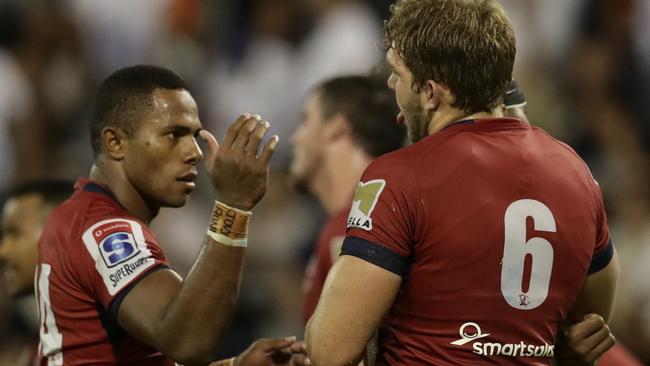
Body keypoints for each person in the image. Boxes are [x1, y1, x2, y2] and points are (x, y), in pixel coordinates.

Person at [305, 1, 619, 365]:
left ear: (431, 92)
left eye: (398, 73)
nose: (392, 84)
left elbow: (330, 351)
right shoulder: (577, 173)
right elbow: (592, 321)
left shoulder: (401, 177)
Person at [35, 65, 306, 366]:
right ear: (115, 142)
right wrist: (234, 205)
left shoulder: (85, 216)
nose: (195, 152)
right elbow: (187, 341)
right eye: (173, 134)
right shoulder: (105, 230)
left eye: (194, 135)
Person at [290, 75, 406, 324]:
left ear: (337, 128)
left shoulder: (355, 232)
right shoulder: (368, 219)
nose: (295, 137)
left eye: (306, 120)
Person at [0, 179, 74, 366]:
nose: (3, 252)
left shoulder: (110, 334)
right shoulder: (40, 346)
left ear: (60, 234)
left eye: (15, 234)